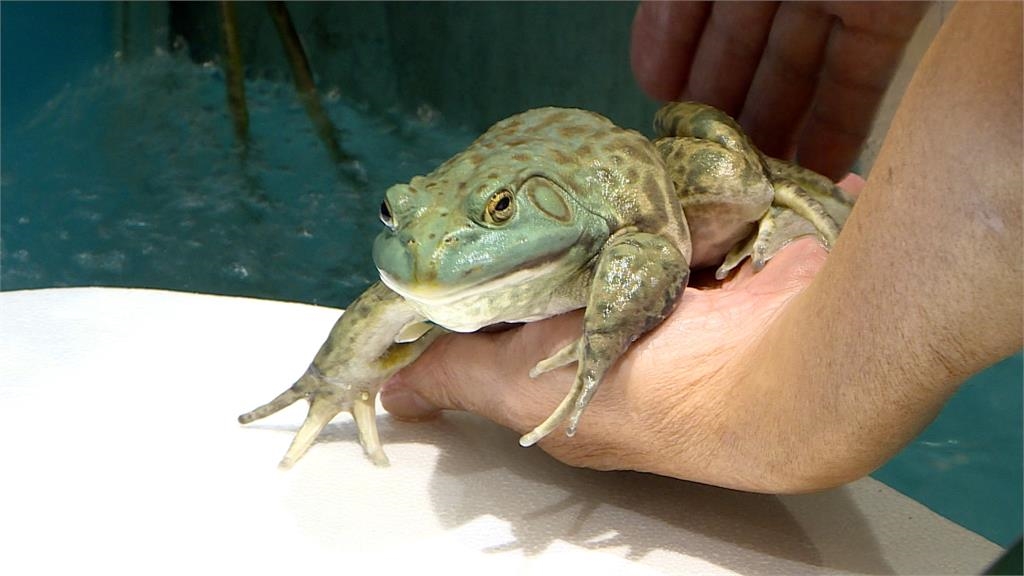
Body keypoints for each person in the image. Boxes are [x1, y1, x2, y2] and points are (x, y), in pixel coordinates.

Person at [380, 1, 1023, 493]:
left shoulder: (608, 219)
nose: (427, 263)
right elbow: (392, 292)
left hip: (615, 175)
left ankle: (779, 194)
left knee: (734, 183)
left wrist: (791, 395)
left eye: (498, 213)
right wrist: (332, 374)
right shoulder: (430, 251)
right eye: (391, 214)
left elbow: (646, 253)